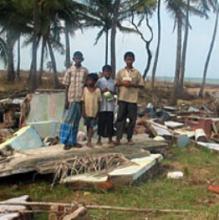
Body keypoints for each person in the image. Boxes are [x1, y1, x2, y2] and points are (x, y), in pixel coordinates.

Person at [59, 51, 88, 150]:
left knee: (76, 121)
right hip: (71, 99)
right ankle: (66, 141)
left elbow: (85, 86)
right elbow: (66, 86)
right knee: (68, 121)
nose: (78, 59)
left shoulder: (85, 71)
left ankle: (73, 141)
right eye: (76, 58)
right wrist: (66, 100)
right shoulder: (69, 70)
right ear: (74, 59)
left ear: (82, 59)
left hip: (80, 99)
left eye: (80, 58)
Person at [115, 51, 144, 145]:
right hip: (122, 98)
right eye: (127, 59)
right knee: (120, 119)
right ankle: (118, 138)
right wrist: (123, 83)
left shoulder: (137, 73)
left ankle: (129, 138)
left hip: (132, 99)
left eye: (131, 59)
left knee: (132, 120)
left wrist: (132, 84)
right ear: (124, 60)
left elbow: (141, 85)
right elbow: (116, 83)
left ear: (133, 60)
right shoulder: (120, 72)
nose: (129, 61)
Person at [96, 65, 116, 145]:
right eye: (105, 71)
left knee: (110, 123)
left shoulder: (113, 82)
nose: (107, 73)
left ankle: (110, 139)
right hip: (102, 105)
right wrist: (102, 90)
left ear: (111, 72)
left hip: (110, 105)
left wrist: (110, 92)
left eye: (109, 71)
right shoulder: (99, 81)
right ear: (103, 72)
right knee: (101, 123)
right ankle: (99, 139)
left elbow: (115, 92)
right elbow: (95, 90)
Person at [82, 73, 101, 147]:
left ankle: (89, 141)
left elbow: (99, 102)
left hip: (94, 112)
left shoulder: (98, 90)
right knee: (87, 126)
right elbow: (83, 102)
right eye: (88, 80)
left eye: (92, 80)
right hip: (86, 111)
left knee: (91, 126)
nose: (90, 82)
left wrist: (98, 111)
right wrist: (83, 112)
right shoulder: (84, 90)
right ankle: (88, 140)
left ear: (95, 81)